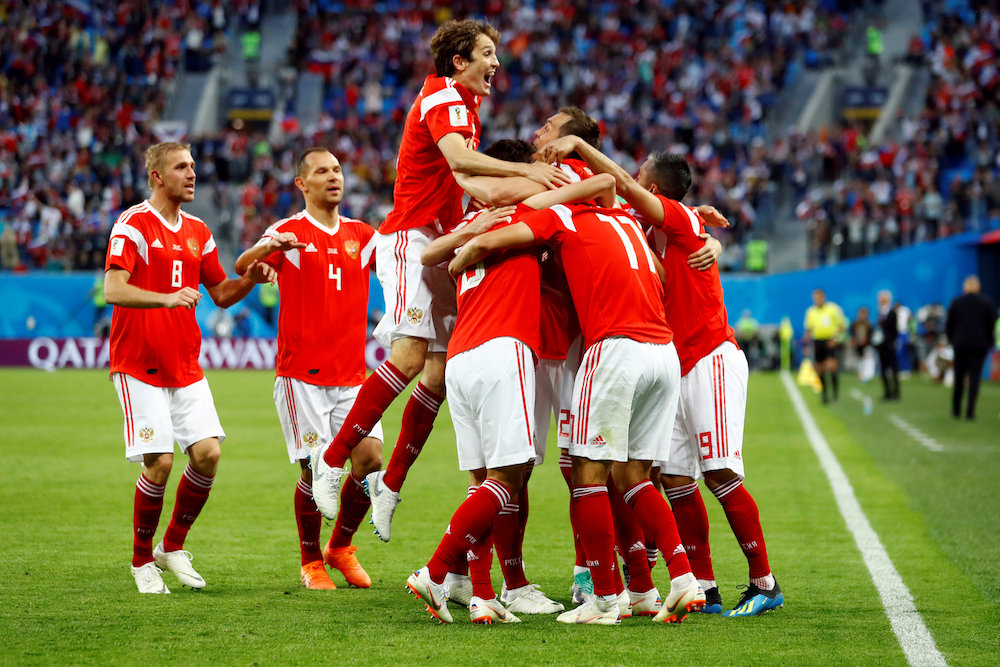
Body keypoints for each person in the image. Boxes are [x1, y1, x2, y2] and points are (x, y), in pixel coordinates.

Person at [311, 19, 569, 535]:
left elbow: (469, 178)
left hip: (440, 236)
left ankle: (391, 483)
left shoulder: (465, 108)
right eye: (488, 54)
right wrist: (531, 173)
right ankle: (333, 459)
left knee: (439, 371)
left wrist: (519, 180)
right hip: (411, 237)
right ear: (459, 61)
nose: (496, 64)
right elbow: (458, 160)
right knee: (408, 357)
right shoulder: (445, 97)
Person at [541, 137, 783, 617]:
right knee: (673, 477)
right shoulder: (642, 231)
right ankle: (704, 584)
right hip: (674, 360)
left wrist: (580, 149)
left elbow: (622, 185)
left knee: (718, 473)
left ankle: (763, 581)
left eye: (639, 174)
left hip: (711, 355)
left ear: (652, 188)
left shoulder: (677, 218)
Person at [449, 195, 705, 626]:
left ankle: (603, 599)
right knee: (633, 477)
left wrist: (460, 261)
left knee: (585, 471)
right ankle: (679, 579)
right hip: (662, 350)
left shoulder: (560, 215)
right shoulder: (624, 219)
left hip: (611, 348)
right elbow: (661, 275)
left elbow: (474, 249)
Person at [105, 141, 275, 594]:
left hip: (185, 364)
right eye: (181, 167)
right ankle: (142, 561)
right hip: (139, 364)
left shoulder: (199, 230)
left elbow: (219, 293)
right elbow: (113, 288)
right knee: (159, 461)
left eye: (194, 166)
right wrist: (165, 297)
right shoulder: (133, 224)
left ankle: (171, 546)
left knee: (208, 454)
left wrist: (250, 280)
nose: (192, 173)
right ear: (157, 177)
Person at [234, 148, 384, 590]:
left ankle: (341, 548)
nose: (333, 177)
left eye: (337, 170)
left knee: (370, 459)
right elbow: (243, 267)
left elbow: (401, 270)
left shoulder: (362, 234)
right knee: (314, 468)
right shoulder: (288, 231)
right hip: (302, 377)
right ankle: (310, 561)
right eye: (322, 171)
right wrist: (268, 248)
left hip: (353, 375)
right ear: (302, 184)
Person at [946, 275, 997, 420]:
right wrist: (988, 342)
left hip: (960, 345)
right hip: (979, 346)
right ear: (978, 287)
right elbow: (991, 325)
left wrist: (953, 340)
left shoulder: (957, 302)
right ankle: (970, 411)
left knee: (959, 378)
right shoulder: (986, 303)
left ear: (965, 287)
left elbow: (950, 325)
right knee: (974, 379)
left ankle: (956, 410)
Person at [803, 288, 846, 403]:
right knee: (820, 368)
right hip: (818, 341)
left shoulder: (832, 309)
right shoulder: (811, 311)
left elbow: (842, 326)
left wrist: (836, 339)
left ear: (824, 297)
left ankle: (835, 394)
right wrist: (806, 345)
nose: (817, 300)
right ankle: (824, 393)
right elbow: (808, 329)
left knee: (832, 366)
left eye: (819, 297)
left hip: (830, 340)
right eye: (815, 298)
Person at [874, 289, 901, 400]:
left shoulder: (891, 312)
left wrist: (892, 342)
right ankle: (887, 392)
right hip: (881, 345)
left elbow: (894, 329)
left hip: (889, 344)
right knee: (883, 369)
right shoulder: (880, 312)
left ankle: (896, 392)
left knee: (893, 368)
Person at [851, 306, 876, 383]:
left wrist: (867, 341)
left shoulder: (869, 324)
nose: (862, 315)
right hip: (858, 345)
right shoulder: (855, 324)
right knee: (860, 360)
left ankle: (868, 375)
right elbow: (852, 334)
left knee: (868, 359)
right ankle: (862, 375)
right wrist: (854, 341)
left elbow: (872, 335)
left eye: (864, 313)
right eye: (861, 313)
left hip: (867, 345)